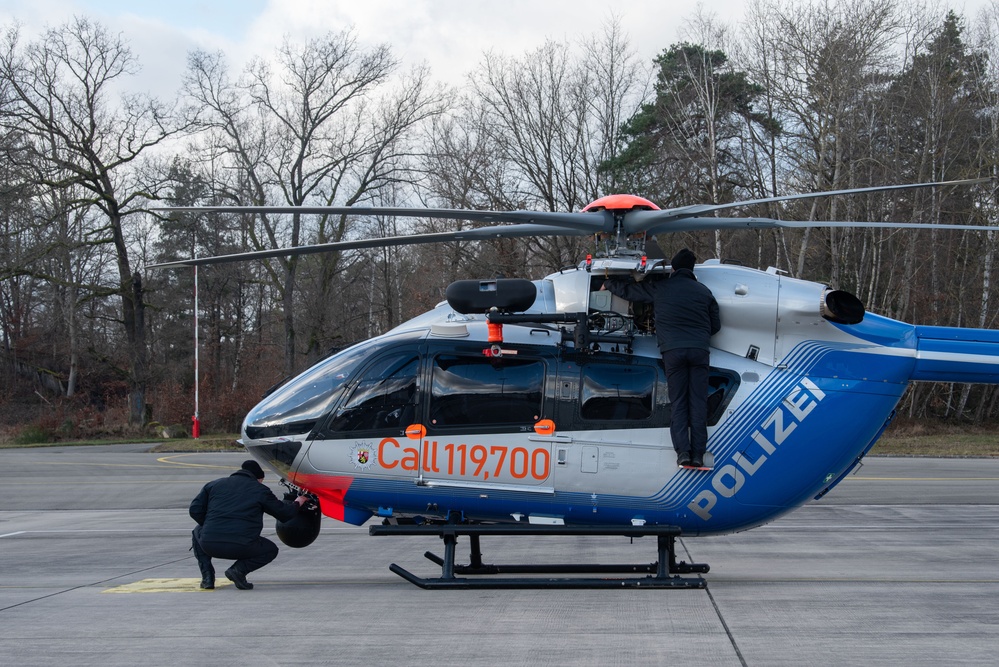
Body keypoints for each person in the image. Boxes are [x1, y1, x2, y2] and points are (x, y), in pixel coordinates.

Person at [603, 248, 721, 469]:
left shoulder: (662, 288)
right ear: (692, 270)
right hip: (699, 352)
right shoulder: (704, 292)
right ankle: (698, 455)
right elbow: (716, 326)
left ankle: (683, 454)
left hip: (673, 352)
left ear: (673, 268)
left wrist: (609, 284)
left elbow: (632, 293)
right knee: (697, 402)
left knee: (678, 403)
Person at [189, 459, 308, 590]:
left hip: (209, 544)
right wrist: (298, 501)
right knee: (271, 549)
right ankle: (238, 570)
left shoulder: (213, 485)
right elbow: (285, 514)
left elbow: (194, 510)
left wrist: (207, 525)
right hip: (242, 546)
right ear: (258, 478)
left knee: (198, 531)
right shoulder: (260, 490)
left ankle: (207, 578)